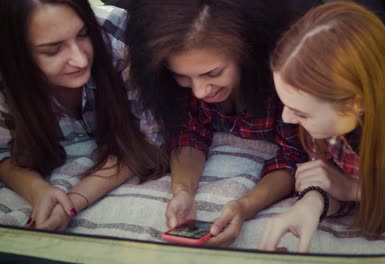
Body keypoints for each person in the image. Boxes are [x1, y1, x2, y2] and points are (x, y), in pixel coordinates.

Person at [259, 1, 385, 252]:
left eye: (302, 112)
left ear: (356, 103)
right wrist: (313, 203)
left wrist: (359, 191)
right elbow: (328, 168)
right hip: (374, 41)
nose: (287, 118)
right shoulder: (329, 97)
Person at [126, 0, 308, 246]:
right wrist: (183, 191)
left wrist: (245, 206)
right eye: (181, 76)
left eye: (212, 74)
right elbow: (188, 130)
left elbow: (294, 156)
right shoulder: (172, 85)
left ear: (249, 50)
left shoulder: (284, 81)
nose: (200, 92)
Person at [0, 0, 168, 231]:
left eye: (83, 34)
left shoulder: (116, 31)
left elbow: (152, 138)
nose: (80, 59)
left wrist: (73, 201)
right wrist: (39, 191)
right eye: (53, 50)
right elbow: (4, 152)